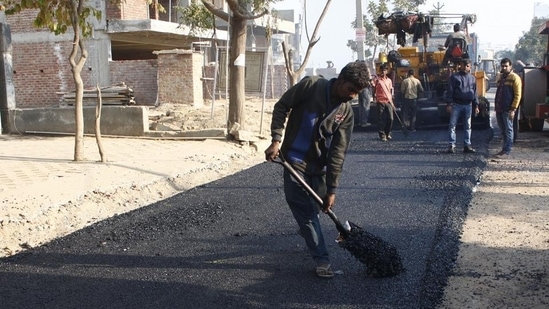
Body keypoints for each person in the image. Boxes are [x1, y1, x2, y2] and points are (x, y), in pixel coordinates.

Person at [264, 60, 370, 279]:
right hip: (293, 161)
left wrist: (331, 190)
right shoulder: (311, 86)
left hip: (319, 169)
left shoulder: (346, 112)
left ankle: (308, 231)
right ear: (340, 80)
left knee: (318, 207)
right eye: (351, 90)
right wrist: (276, 139)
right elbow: (281, 106)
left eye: (357, 93)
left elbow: (338, 152)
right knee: (307, 214)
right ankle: (322, 259)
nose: (352, 96)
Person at [445, 58, 479, 154]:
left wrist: (476, 105)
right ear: (460, 65)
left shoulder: (472, 78)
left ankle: (467, 145)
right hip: (456, 105)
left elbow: (475, 93)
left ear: (470, 67)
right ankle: (452, 145)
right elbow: (450, 91)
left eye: (467, 66)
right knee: (452, 125)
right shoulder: (454, 77)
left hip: (468, 105)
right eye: (463, 65)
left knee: (468, 126)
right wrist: (449, 104)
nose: (465, 67)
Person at [494, 58, 522, 157]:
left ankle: (506, 150)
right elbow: (498, 89)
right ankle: (504, 149)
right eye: (502, 66)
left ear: (511, 66)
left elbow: (518, 95)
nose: (504, 68)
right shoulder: (502, 77)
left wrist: (513, 109)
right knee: (503, 130)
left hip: (508, 109)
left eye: (506, 66)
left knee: (508, 129)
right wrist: (498, 78)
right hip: (499, 108)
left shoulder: (515, 78)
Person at [374, 63, 394, 141]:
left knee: (390, 118)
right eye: (382, 70)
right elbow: (373, 89)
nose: (383, 72)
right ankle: (382, 135)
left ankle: (387, 133)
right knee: (380, 119)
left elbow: (391, 91)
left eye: (385, 70)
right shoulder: (377, 80)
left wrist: (392, 101)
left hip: (388, 101)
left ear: (387, 71)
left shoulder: (389, 80)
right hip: (380, 101)